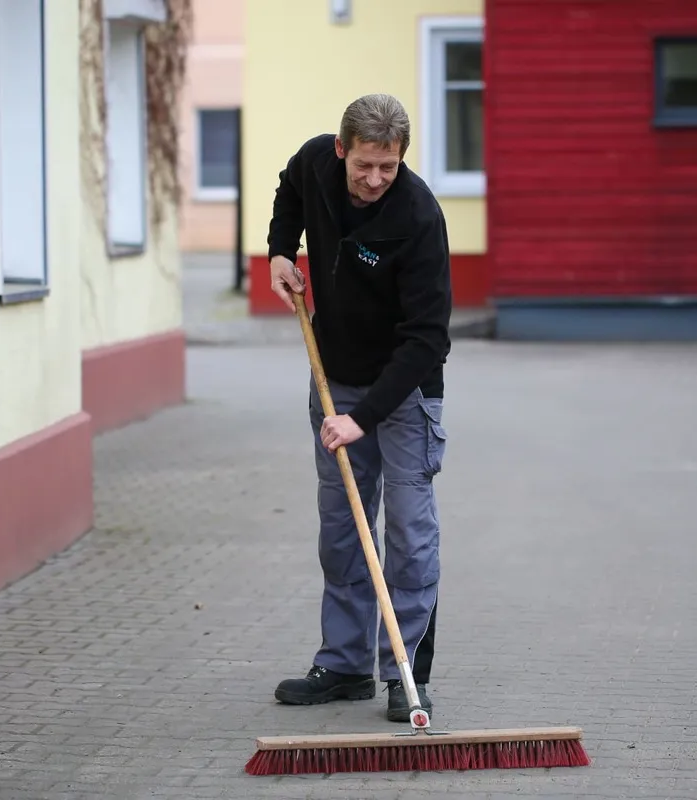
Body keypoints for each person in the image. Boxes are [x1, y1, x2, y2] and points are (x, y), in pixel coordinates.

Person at [266, 94, 452, 723]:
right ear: (341, 149)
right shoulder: (316, 163)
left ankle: (406, 672)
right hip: (336, 378)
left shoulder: (418, 215)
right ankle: (345, 666)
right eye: (364, 165)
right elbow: (289, 190)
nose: (375, 180)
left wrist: (362, 418)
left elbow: (427, 339)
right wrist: (280, 251)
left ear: (402, 158)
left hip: (405, 391)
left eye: (388, 167)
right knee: (344, 528)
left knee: (408, 533)